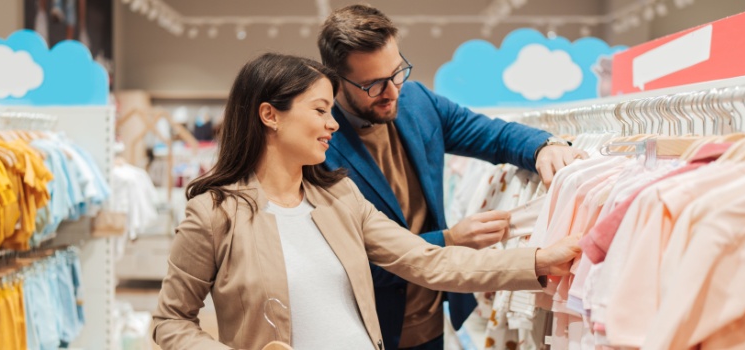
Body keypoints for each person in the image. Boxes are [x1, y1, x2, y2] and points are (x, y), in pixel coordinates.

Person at [152, 53, 581, 350]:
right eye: (320, 110)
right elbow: (170, 321)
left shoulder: (340, 197)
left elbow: (429, 262)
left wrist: (538, 261)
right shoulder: (214, 213)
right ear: (270, 115)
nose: (331, 125)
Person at [317, 5, 589, 350]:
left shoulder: (418, 102)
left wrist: (543, 147)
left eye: (397, 71)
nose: (392, 91)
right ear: (335, 80)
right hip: (367, 329)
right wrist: (449, 239)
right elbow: (346, 263)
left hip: (432, 321)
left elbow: (494, 136)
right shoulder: (320, 146)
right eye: (372, 84)